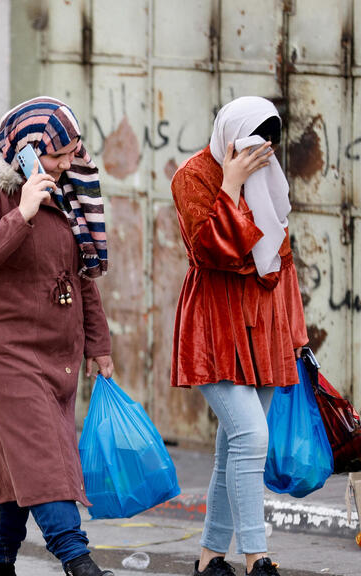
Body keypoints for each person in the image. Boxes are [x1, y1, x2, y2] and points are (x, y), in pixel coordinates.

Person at [0, 96, 114, 576]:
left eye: (70, 153)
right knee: (42, 457)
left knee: (18, 463)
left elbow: (80, 273)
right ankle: (77, 560)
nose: (66, 164)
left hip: (55, 353)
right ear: (24, 148)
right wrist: (21, 213)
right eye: (55, 155)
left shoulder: (66, 190)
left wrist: (98, 344)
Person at [170, 96, 307, 576]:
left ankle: (210, 559)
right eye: (250, 142)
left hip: (263, 326)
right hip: (214, 324)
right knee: (251, 437)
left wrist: (294, 333)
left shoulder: (268, 180)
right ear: (230, 136)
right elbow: (212, 250)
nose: (258, 153)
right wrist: (230, 185)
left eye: (266, 145)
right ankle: (257, 557)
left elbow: (281, 262)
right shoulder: (192, 177)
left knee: (234, 448)